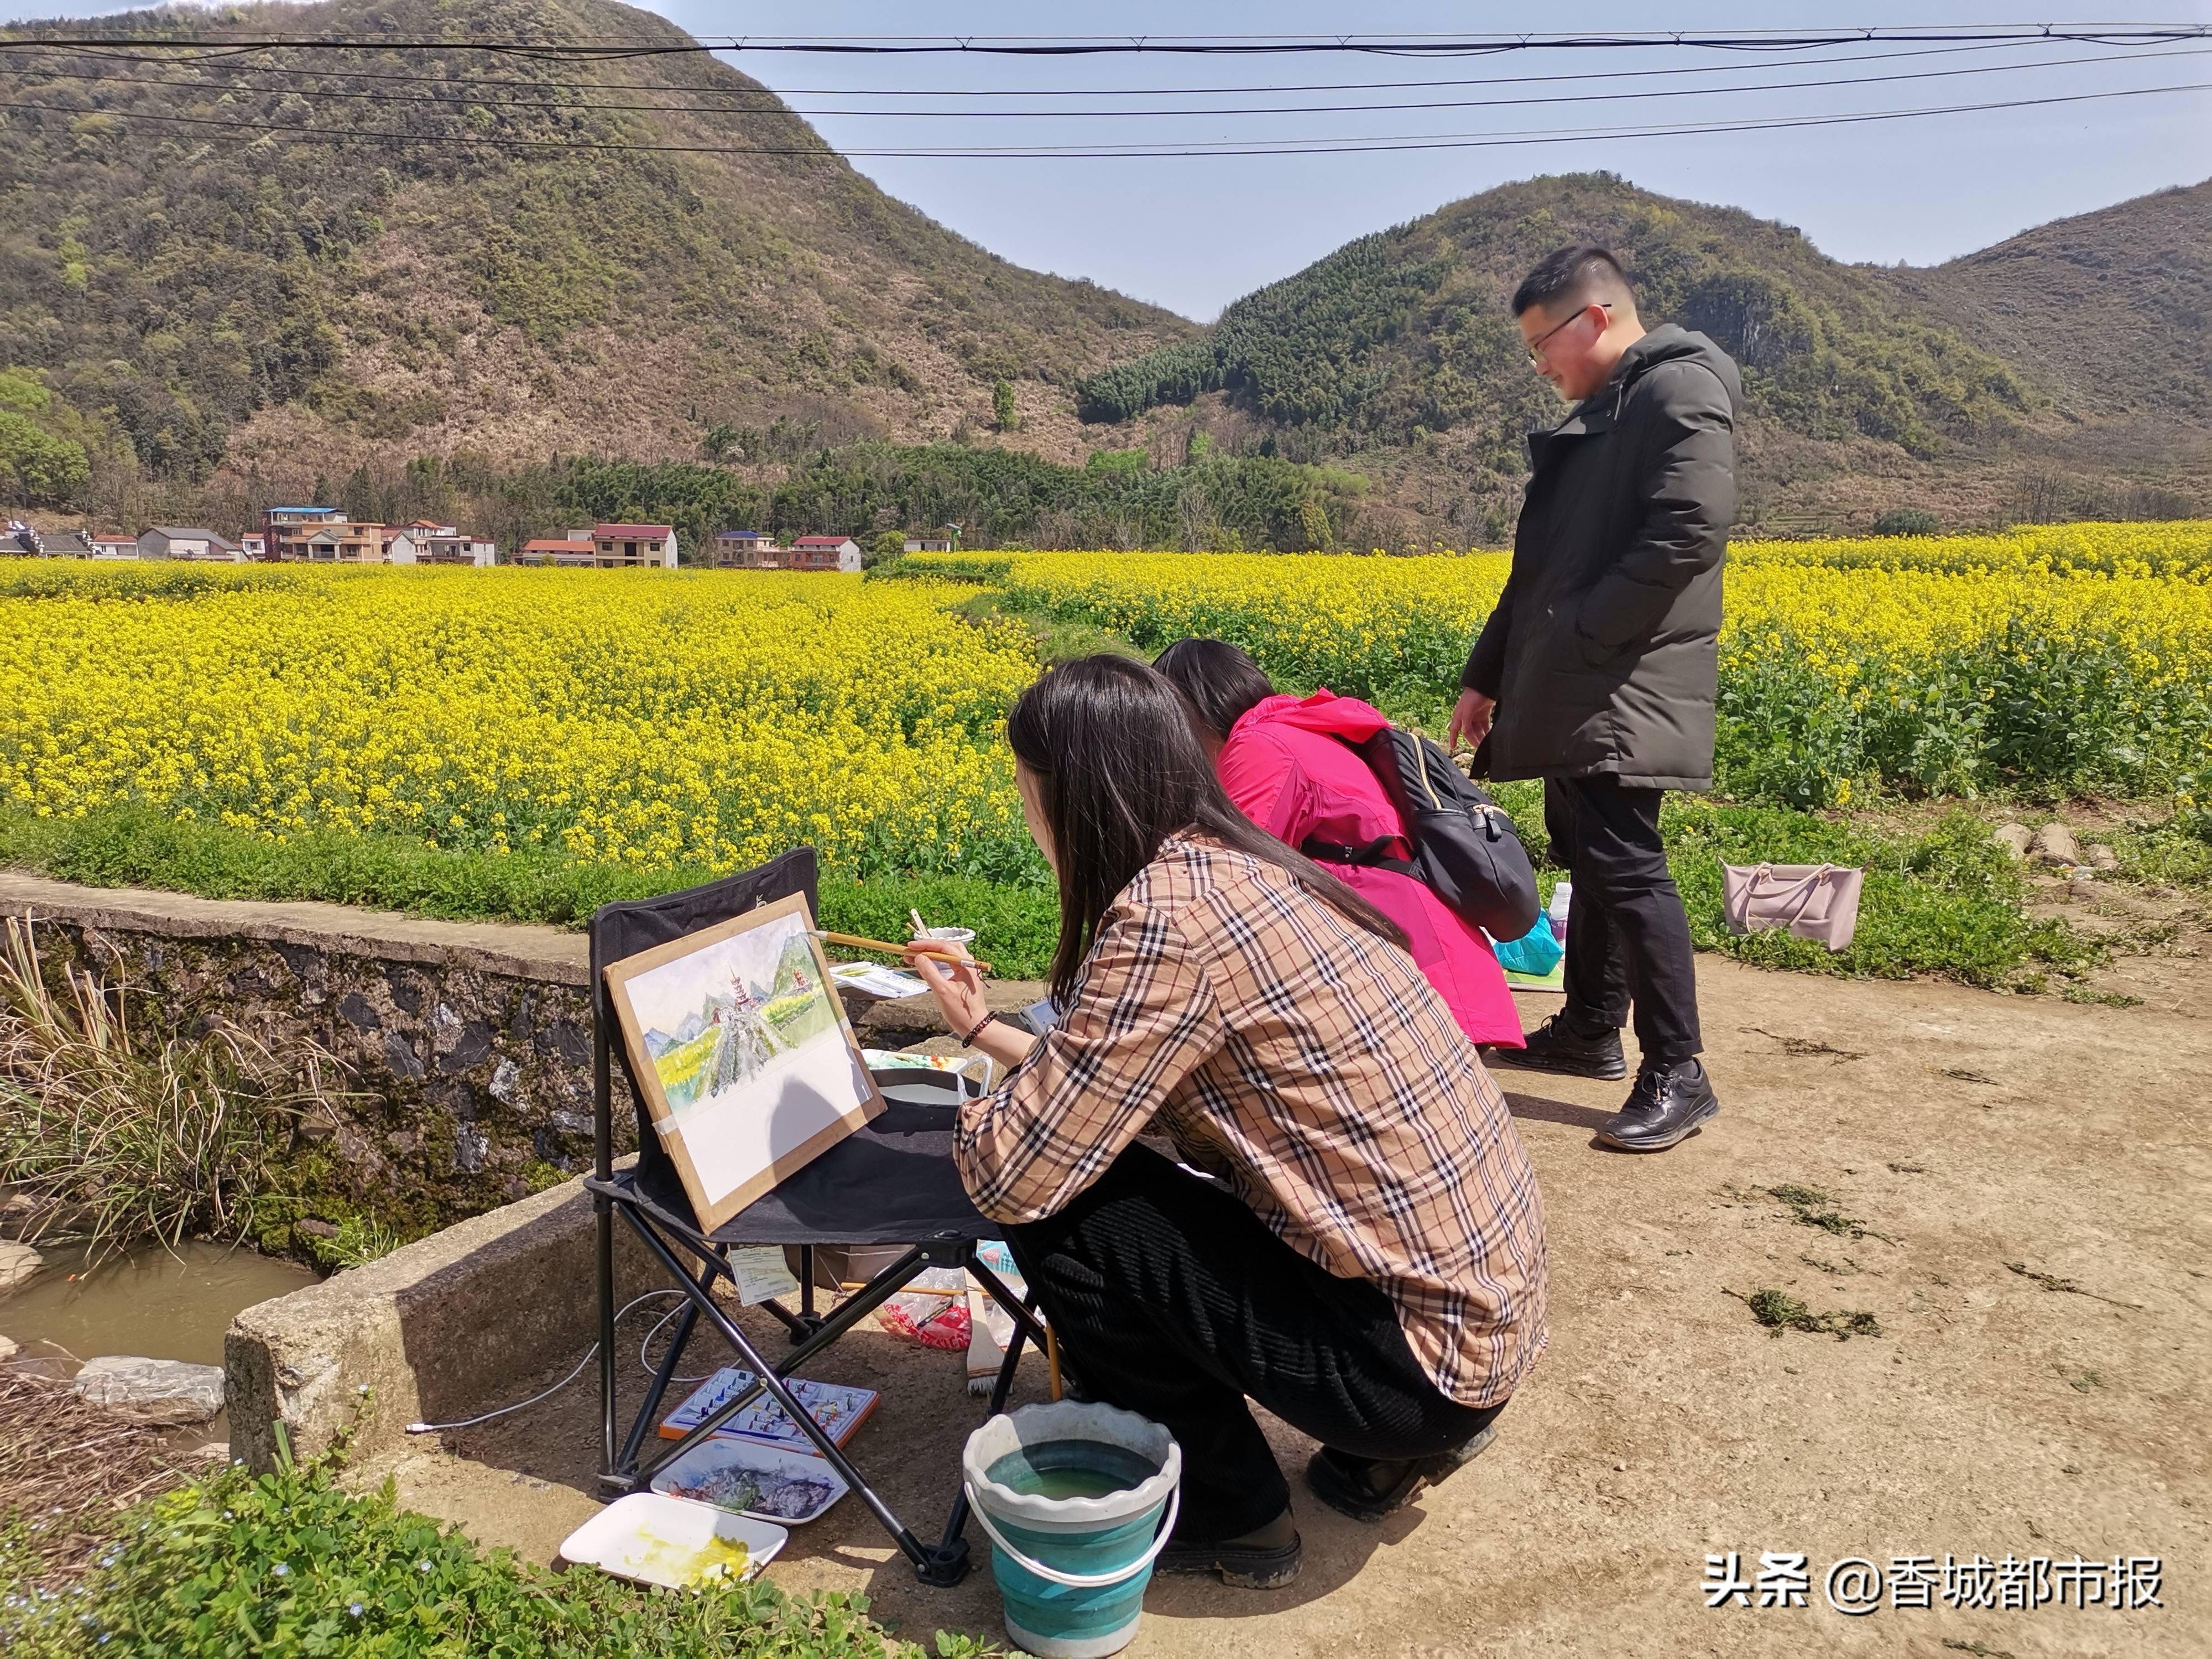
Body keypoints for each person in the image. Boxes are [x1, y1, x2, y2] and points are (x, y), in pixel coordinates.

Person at [906, 656, 1547, 1590]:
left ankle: (1228, 1508)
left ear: (1070, 794)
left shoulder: (1167, 921)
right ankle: (1378, 1451)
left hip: (1411, 1371)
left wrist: (969, 1117)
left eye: (1026, 789)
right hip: (1483, 1327)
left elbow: (1019, 1170)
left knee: (1064, 1211)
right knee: (1117, 1160)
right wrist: (984, 1029)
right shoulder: (1246, 867)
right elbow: (1121, 1081)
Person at [1448, 242, 1740, 1155]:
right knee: (1595, 855)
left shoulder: (1677, 390)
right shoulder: (1616, 405)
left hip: (1620, 679)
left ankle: (1679, 1071)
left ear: (1597, 318)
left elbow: (1690, 529)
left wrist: (1580, 641)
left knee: (1625, 859)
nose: (1540, 367)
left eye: (1543, 345)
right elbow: (1538, 571)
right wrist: (1489, 672)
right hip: (1581, 677)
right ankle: (1587, 1030)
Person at [1152, 637, 1524, 1050]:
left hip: (1407, 985)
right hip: (1437, 974)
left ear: (1189, 713)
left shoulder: (1261, 744)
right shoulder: (1309, 730)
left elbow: (1218, 876)